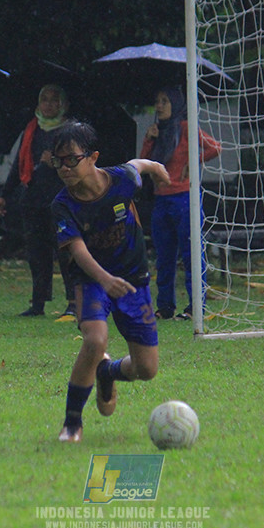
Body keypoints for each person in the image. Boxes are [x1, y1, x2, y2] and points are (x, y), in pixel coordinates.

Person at [49, 122, 170, 443]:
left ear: (93, 158)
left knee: (147, 370)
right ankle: (72, 423)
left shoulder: (121, 180)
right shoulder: (62, 205)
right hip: (91, 280)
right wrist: (104, 278)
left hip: (133, 279)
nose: (64, 167)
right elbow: (76, 249)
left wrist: (155, 167)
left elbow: (137, 165)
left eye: (71, 159)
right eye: (57, 161)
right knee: (95, 339)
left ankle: (108, 371)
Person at [0, 84, 77, 320]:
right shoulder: (31, 129)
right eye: (45, 100)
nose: (49, 104)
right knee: (36, 254)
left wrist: (57, 162)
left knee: (66, 252)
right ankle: (38, 302)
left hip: (61, 200)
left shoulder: (69, 131)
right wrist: (4, 194)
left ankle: (73, 301)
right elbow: (18, 166)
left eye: (54, 100)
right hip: (32, 199)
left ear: (63, 104)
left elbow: (79, 164)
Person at [140, 86, 221, 320]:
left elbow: (215, 147)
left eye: (165, 101)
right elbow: (144, 164)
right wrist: (149, 139)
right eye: (157, 101)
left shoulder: (185, 128)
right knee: (164, 257)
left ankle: (195, 307)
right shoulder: (156, 131)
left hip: (185, 200)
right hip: (161, 201)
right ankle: (165, 307)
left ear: (176, 104)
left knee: (191, 255)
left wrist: (193, 161)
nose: (160, 106)